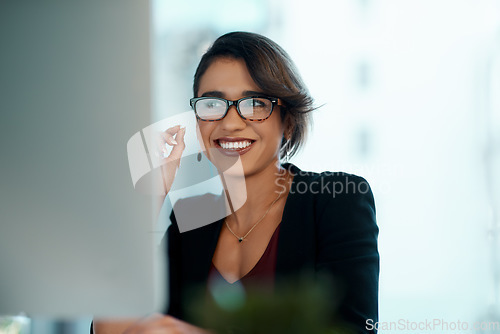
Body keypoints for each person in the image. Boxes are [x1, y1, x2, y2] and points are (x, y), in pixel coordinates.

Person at [94, 31, 379, 334]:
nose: (230, 123)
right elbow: (110, 328)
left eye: (255, 103)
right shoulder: (191, 219)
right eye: (212, 104)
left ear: (288, 119)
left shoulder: (336, 201)